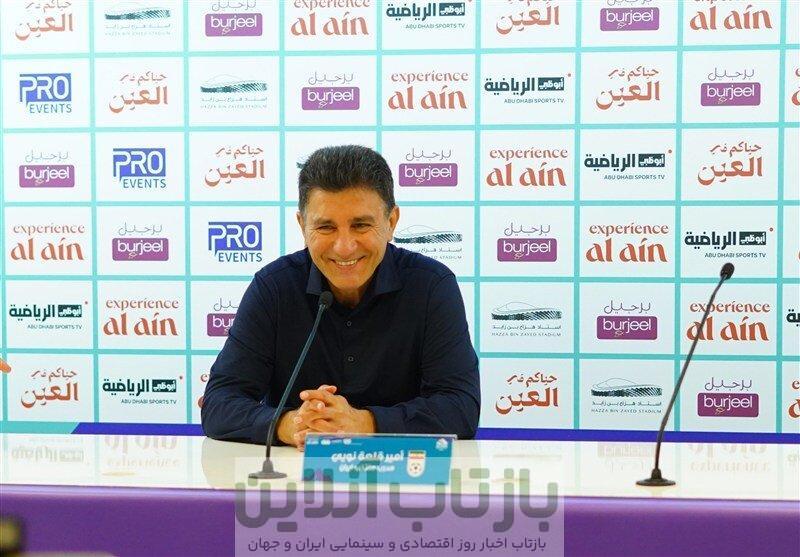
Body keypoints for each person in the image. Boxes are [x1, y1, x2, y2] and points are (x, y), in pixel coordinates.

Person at [201, 145, 480, 448]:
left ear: (391, 222)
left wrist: (363, 423)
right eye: (326, 227)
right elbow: (218, 403)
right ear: (302, 226)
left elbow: (460, 408)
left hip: (405, 471)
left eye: (360, 225)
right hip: (295, 471)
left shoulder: (431, 286)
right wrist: (290, 425)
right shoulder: (274, 288)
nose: (344, 247)